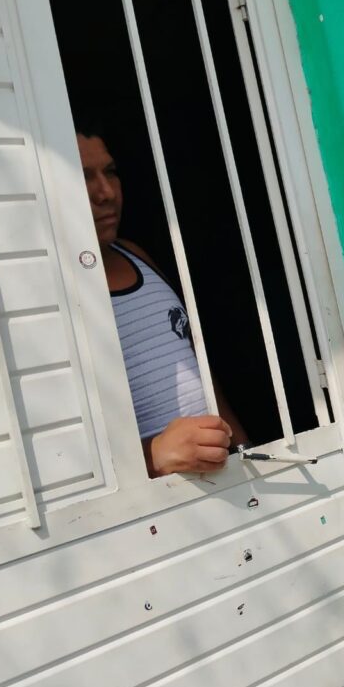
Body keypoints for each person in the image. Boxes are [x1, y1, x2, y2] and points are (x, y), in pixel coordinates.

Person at [77, 127, 248, 478]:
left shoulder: (133, 254)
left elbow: (191, 359)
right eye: (84, 177)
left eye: (110, 172)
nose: (106, 193)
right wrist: (152, 457)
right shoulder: (50, 295)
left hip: (226, 478)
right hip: (163, 502)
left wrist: (246, 450)